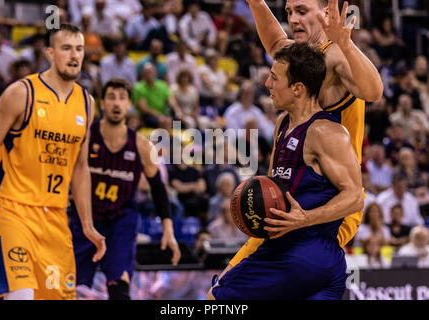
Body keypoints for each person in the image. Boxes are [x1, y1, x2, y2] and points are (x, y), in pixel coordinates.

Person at [228, 0, 384, 268]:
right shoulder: (299, 56)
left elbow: (374, 93)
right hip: (295, 197)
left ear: (326, 13)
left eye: (302, 11)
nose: (293, 19)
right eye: (289, 12)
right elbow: (277, 44)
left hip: (331, 201)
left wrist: (346, 44)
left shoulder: (336, 56)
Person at [207, 43, 363, 300]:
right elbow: (274, 187)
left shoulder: (326, 132)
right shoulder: (282, 123)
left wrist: (306, 218)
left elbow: (355, 197)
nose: (267, 84)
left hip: (305, 251)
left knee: (216, 299)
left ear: (297, 89)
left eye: (274, 78)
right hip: (305, 259)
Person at [0, 23, 106, 300]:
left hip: (55, 217)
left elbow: (81, 167)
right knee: (21, 296)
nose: (74, 56)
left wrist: (87, 224)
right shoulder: (20, 93)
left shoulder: (87, 103)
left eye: (79, 49)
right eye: (66, 49)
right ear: (50, 53)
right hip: (9, 209)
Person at [69, 78, 181, 300]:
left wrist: (168, 230)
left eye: (122, 98)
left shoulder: (141, 145)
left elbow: (158, 189)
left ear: (129, 104)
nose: (116, 104)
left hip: (120, 220)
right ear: (102, 103)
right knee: (72, 289)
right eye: (111, 97)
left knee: (119, 288)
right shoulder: (84, 136)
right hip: (85, 217)